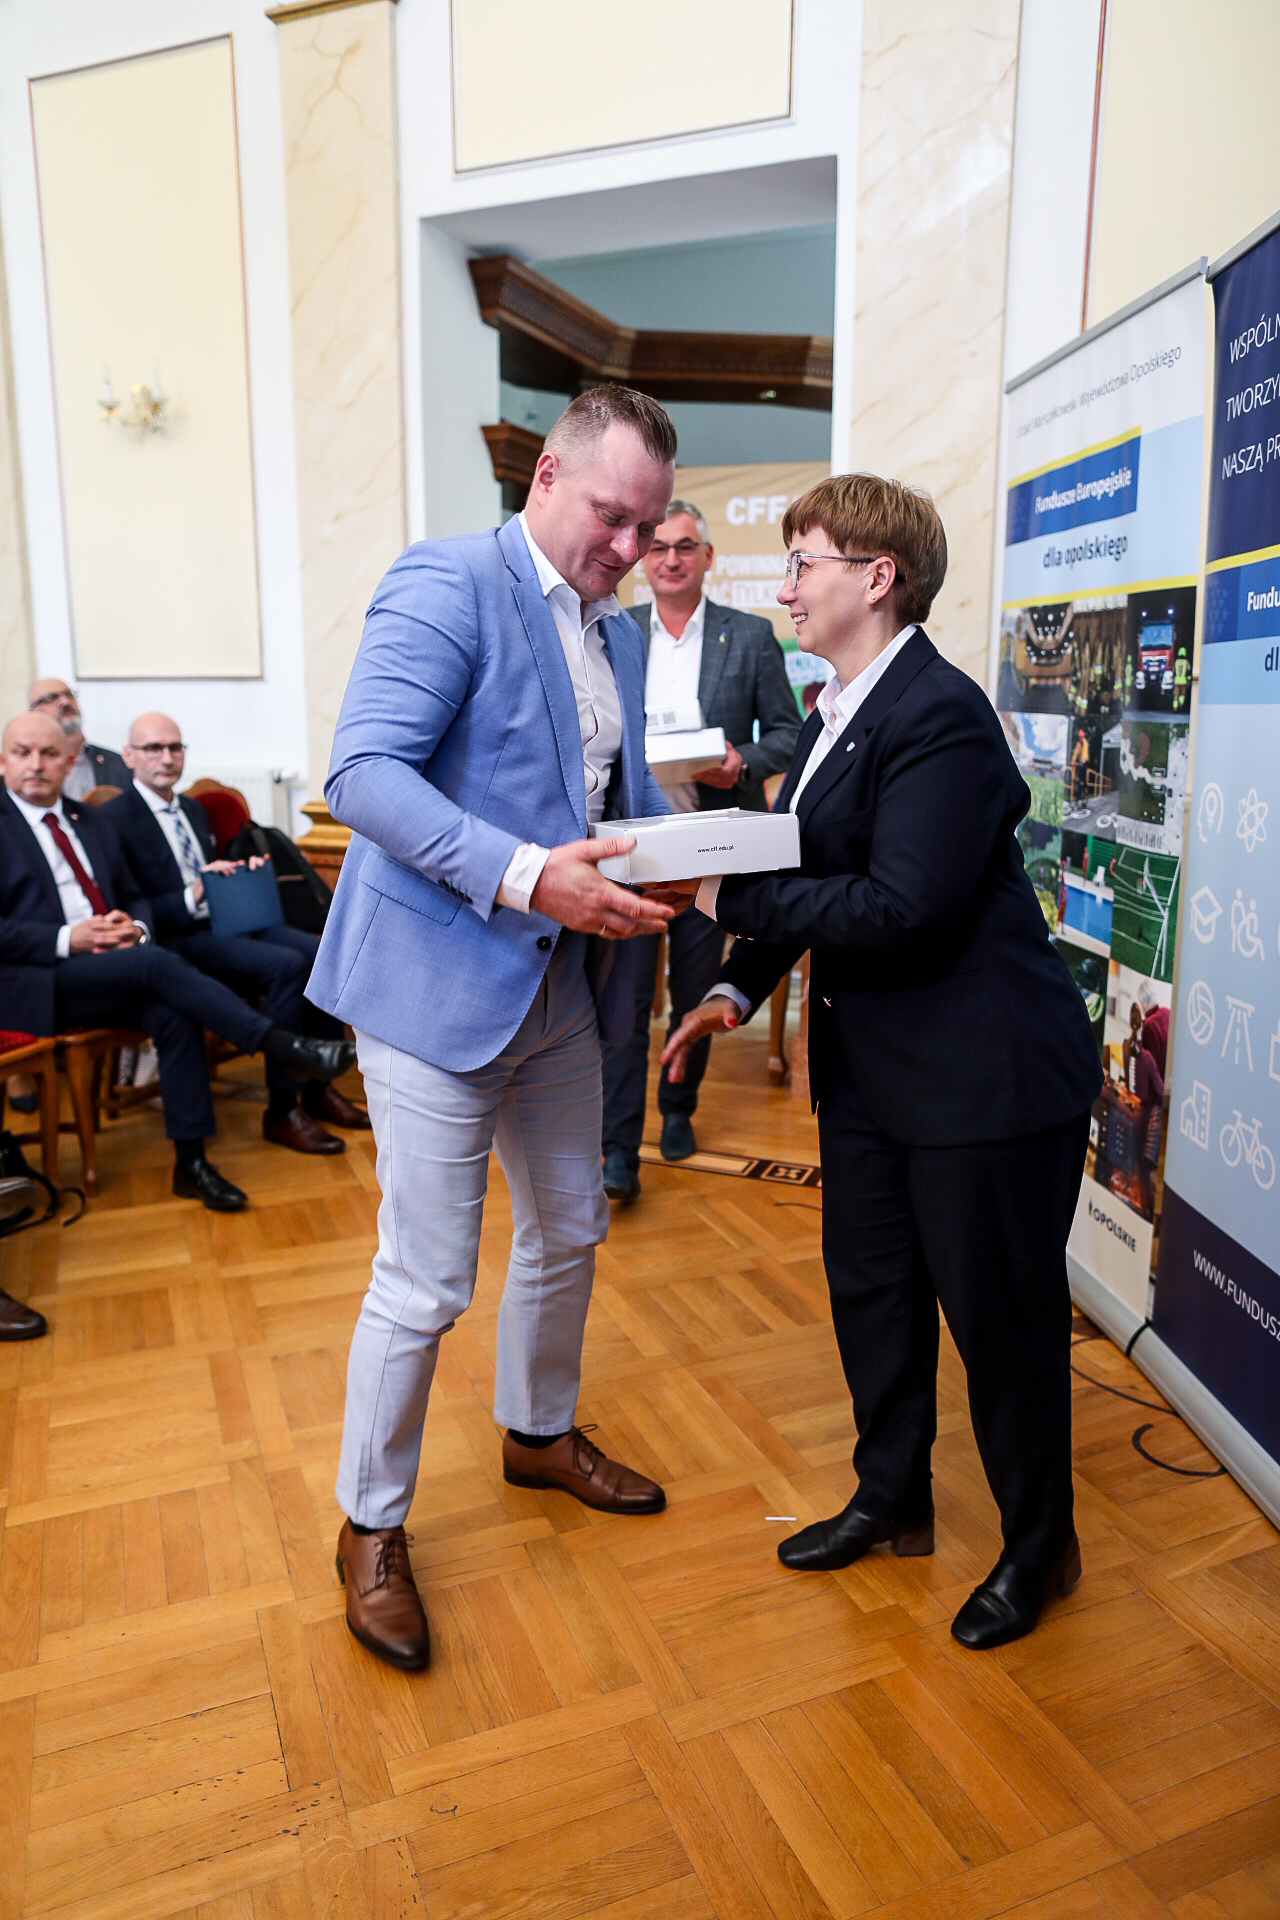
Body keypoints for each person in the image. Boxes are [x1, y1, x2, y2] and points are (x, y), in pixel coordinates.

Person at [663, 474, 1102, 1651]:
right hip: (871, 1076)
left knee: (999, 1328)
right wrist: (732, 987)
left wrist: (716, 897)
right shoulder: (834, 711)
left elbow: (900, 907)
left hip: (981, 1082)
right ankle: (890, 1499)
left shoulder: (938, 714)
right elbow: (811, 869)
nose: (783, 587)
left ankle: (1038, 1548)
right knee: (874, 1296)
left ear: (875, 576)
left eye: (799, 561)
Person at [308, 386, 687, 1673]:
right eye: (612, 518)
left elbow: (615, 796)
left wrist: (692, 855)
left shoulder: (612, 631)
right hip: (432, 992)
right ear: (545, 478)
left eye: (648, 528)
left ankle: (536, 1433)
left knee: (571, 1227)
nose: (630, 549)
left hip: (558, 997)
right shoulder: (447, 581)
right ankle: (370, 1526)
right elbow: (362, 774)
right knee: (424, 1279)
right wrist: (530, 878)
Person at [0, 711, 356, 1211]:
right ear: (3, 761)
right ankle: (280, 1045)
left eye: (49, 754)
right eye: (23, 754)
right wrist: (67, 938)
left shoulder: (89, 821)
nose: (36, 765)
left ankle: (190, 1163)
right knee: (157, 963)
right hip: (41, 976)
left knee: (175, 1013)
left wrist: (133, 927)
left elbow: (132, 898)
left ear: (69, 761)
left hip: (112, 961)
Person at [600, 500, 801, 1198]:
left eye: (684, 546)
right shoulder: (615, 629)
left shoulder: (749, 636)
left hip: (708, 854)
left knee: (695, 991)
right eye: (656, 547)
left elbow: (789, 731)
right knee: (624, 1004)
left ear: (708, 557)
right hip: (629, 849)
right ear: (642, 558)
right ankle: (618, 1147)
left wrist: (741, 762)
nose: (670, 559)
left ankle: (678, 1108)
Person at [104, 712, 367, 1155]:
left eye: (174, 747)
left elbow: (213, 873)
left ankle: (318, 1089)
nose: (166, 758)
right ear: (129, 756)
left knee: (319, 952)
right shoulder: (113, 818)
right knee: (286, 966)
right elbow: (131, 906)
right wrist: (192, 894)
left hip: (225, 919)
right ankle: (281, 1109)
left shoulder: (192, 809)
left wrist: (241, 874)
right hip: (176, 935)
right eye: (153, 749)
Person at [28, 679, 128, 799]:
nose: (65, 702)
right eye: (51, 698)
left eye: (69, 695)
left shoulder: (119, 764)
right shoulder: (29, 769)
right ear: (33, 713)